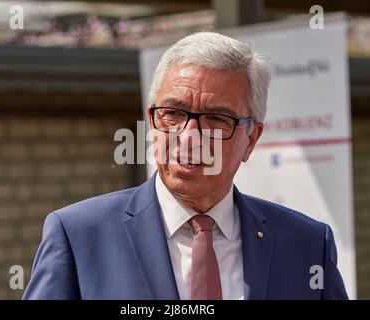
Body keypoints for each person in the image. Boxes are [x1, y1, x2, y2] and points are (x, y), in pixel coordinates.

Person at [23, 32, 348, 300]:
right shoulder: (79, 236)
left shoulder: (307, 244)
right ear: (151, 121)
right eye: (173, 113)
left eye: (216, 119)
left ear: (251, 139)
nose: (189, 137)